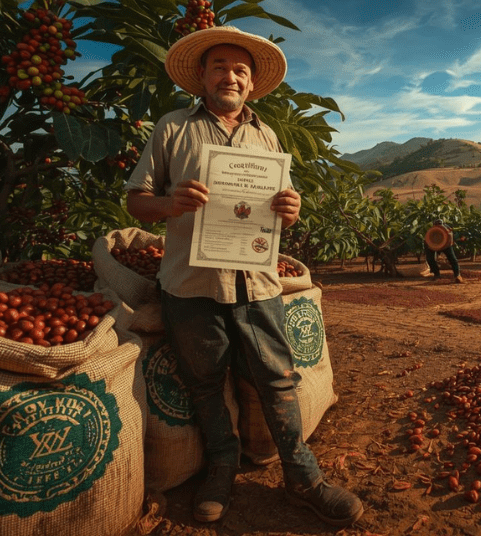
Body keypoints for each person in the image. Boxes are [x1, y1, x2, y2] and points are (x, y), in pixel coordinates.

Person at [124, 26, 363, 527]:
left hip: (256, 281)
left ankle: (304, 478)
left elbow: (282, 206)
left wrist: (291, 209)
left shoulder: (266, 135)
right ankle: (221, 471)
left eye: (240, 70)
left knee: (277, 379)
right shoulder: (172, 127)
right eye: (220, 67)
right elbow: (136, 199)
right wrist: (168, 203)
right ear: (202, 77)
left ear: (251, 84)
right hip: (191, 284)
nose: (229, 76)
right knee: (205, 383)